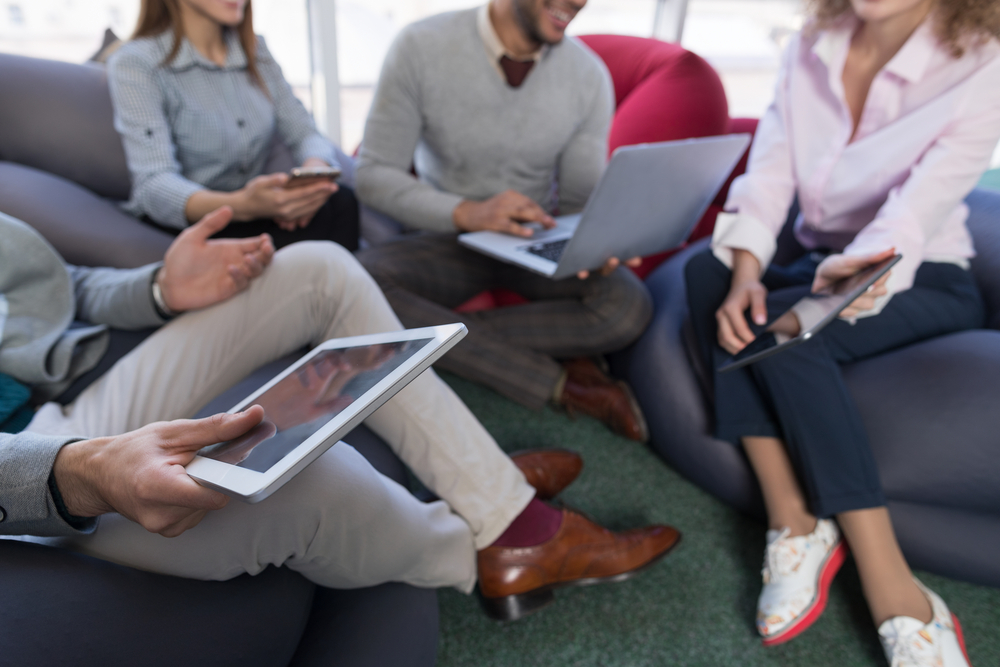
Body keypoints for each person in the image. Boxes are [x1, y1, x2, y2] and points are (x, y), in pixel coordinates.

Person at [0, 207, 680, 622]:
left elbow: (60, 287)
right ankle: (502, 543)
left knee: (321, 269)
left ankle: (500, 506)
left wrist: (158, 288)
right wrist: (74, 472)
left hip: (62, 403)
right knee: (308, 473)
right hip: (26, 494)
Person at [684, 0, 1000, 663]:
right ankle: (794, 519)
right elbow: (770, 173)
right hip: (816, 262)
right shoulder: (811, 44)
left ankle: (893, 585)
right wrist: (747, 273)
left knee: (789, 337)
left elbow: (912, 215)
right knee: (706, 274)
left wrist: (837, 286)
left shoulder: (982, 67)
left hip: (919, 272)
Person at [354, 0, 653, 442]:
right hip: (448, 237)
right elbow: (373, 174)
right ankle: (565, 384)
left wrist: (601, 236)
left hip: (535, 236)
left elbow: (577, 201)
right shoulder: (420, 46)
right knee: (357, 283)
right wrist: (467, 212)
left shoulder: (588, 76)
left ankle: (424, 341)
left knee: (629, 306)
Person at [107, 0, 359, 251]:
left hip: (255, 211)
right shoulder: (137, 62)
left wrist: (310, 183)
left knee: (341, 202)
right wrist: (242, 205)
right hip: (193, 221)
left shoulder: (255, 51)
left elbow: (305, 133)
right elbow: (153, 183)